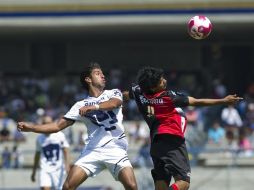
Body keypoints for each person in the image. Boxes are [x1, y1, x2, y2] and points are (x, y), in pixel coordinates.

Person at [18, 62, 137, 190]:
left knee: (131, 185)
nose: (103, 76)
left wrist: (94, 107)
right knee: (68, 186)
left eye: (102, 73)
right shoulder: (80, 105)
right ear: (88, 79)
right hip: (93, 150)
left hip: (115, 148)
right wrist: (31, 128)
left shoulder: (113, 93)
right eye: (98, 73)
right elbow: (58, 126)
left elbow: (114, 103)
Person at [123, 66, 243, 190]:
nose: (164, 81)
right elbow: (197, 102)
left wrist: (116, 100)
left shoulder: (139, 92)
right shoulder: (168, 97)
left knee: (161, 184)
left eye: (163, 77)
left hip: (156, 144)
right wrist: (224, 100)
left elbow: (125, 95)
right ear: (153, 87)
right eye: (160, 81)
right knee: (183, 182)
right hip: (172, 140)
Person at [31, 115, 70, 190]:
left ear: (52, 123)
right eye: (45, 123)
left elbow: (66, 150)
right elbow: (37, 155)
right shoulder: (39, 138)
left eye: (49, 123)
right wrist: (34, 171)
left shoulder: (60, 135)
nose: (47, 125)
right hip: (45, 168)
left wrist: (67, 165)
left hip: (58, 169)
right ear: (42, 124)